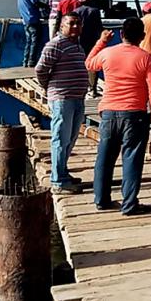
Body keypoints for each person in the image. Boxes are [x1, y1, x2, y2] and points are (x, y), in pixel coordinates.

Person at [85, 18, 151, 216]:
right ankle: (129, 204)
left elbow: (89, 64)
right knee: (132, 159)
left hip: (109, 113)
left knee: (104, 158)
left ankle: (101, 200)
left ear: (121, 34)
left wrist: (101, 41)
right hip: (134, 114)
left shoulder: (107, 53)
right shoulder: (146, 57)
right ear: (142, 37)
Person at [35, 12, 88, 194]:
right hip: (62, 99)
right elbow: (41, 69)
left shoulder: (77, 46)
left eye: (78, 24)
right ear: (61, 26)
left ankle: (63, 173)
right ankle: (58, 181)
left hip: (77, 98)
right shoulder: (55, 45)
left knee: (70, 139)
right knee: (60, 138)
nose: (75, 27)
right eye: (71, 23)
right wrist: (49, 87)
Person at [73, 0, 103, 97]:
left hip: (80, 41)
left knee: (80, 64)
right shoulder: (95, 11)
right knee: (93, 65)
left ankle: (80, 87)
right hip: (92, 41)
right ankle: (93, 89)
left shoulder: (76, 11)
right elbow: (99, 27)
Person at [18, 0, 43, 67]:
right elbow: (36, 2)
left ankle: (25, 61)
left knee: (28, 42)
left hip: (26, 20)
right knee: (34, 42)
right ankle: (31, 62)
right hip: (32, 19)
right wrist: (46, 6)